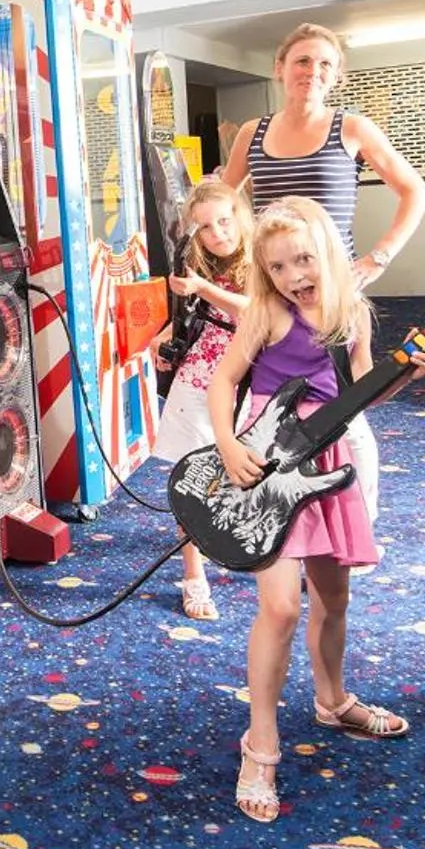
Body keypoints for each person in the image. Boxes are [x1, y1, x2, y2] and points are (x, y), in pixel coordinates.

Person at [209, 197, 423, 826]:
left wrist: (407, 374)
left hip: (329, 460)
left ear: (326, 252)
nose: (292, 275)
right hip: (270, 463)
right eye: (277, 267)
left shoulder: (350, 312)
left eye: (302, 259)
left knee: (335, 598)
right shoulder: (266, 314)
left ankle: (333, 701)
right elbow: (224, 381)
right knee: (280, 606)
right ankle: (260, 744)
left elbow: (360, 394)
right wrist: (228, 446)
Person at [219, 22, 425, 520]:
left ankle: (353, 521)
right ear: (280, 68)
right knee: (266, 404)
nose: (312, 71)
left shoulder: (351, 128)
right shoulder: (253, 133)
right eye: (302, 61)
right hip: (273, 290)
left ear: (336, 76)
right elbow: (225, 202)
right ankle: (272, 519)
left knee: (345, 407)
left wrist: (378, 257)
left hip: (331, 291)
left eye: (325, 64)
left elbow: (415, 191)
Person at [149, 175, 255, 620]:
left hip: (253, 379)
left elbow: (254, 313)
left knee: (251, 472)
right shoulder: (195, 263)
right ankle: (194, 575)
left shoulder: (262, 258)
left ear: (240, 216)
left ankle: (250, 543)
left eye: (225, 221)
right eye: (206, 227)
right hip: (200, 374)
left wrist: (203, 289)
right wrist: (164, 336)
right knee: (191, 475)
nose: (218, 234)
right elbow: (191, 315)